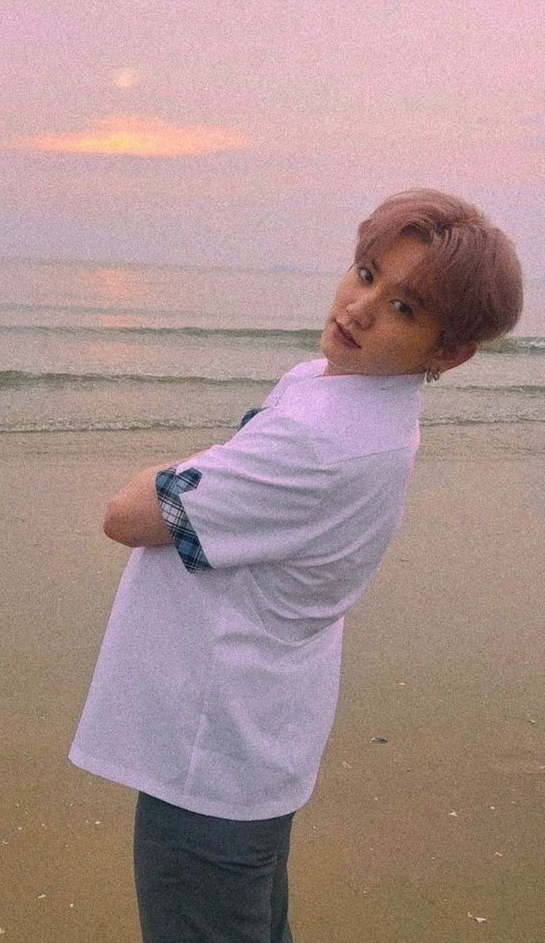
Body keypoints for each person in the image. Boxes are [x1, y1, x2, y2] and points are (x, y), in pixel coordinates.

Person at [68, 189, 523, 943]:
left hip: (210, 755)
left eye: (406, 308)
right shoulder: (342, 395)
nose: (361, 306)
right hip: (253, 735)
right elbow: (208, 484)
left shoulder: (323, 445)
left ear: (450, 352)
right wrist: (208, 470)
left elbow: (128, 516)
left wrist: (191, 468)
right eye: (367, 272)